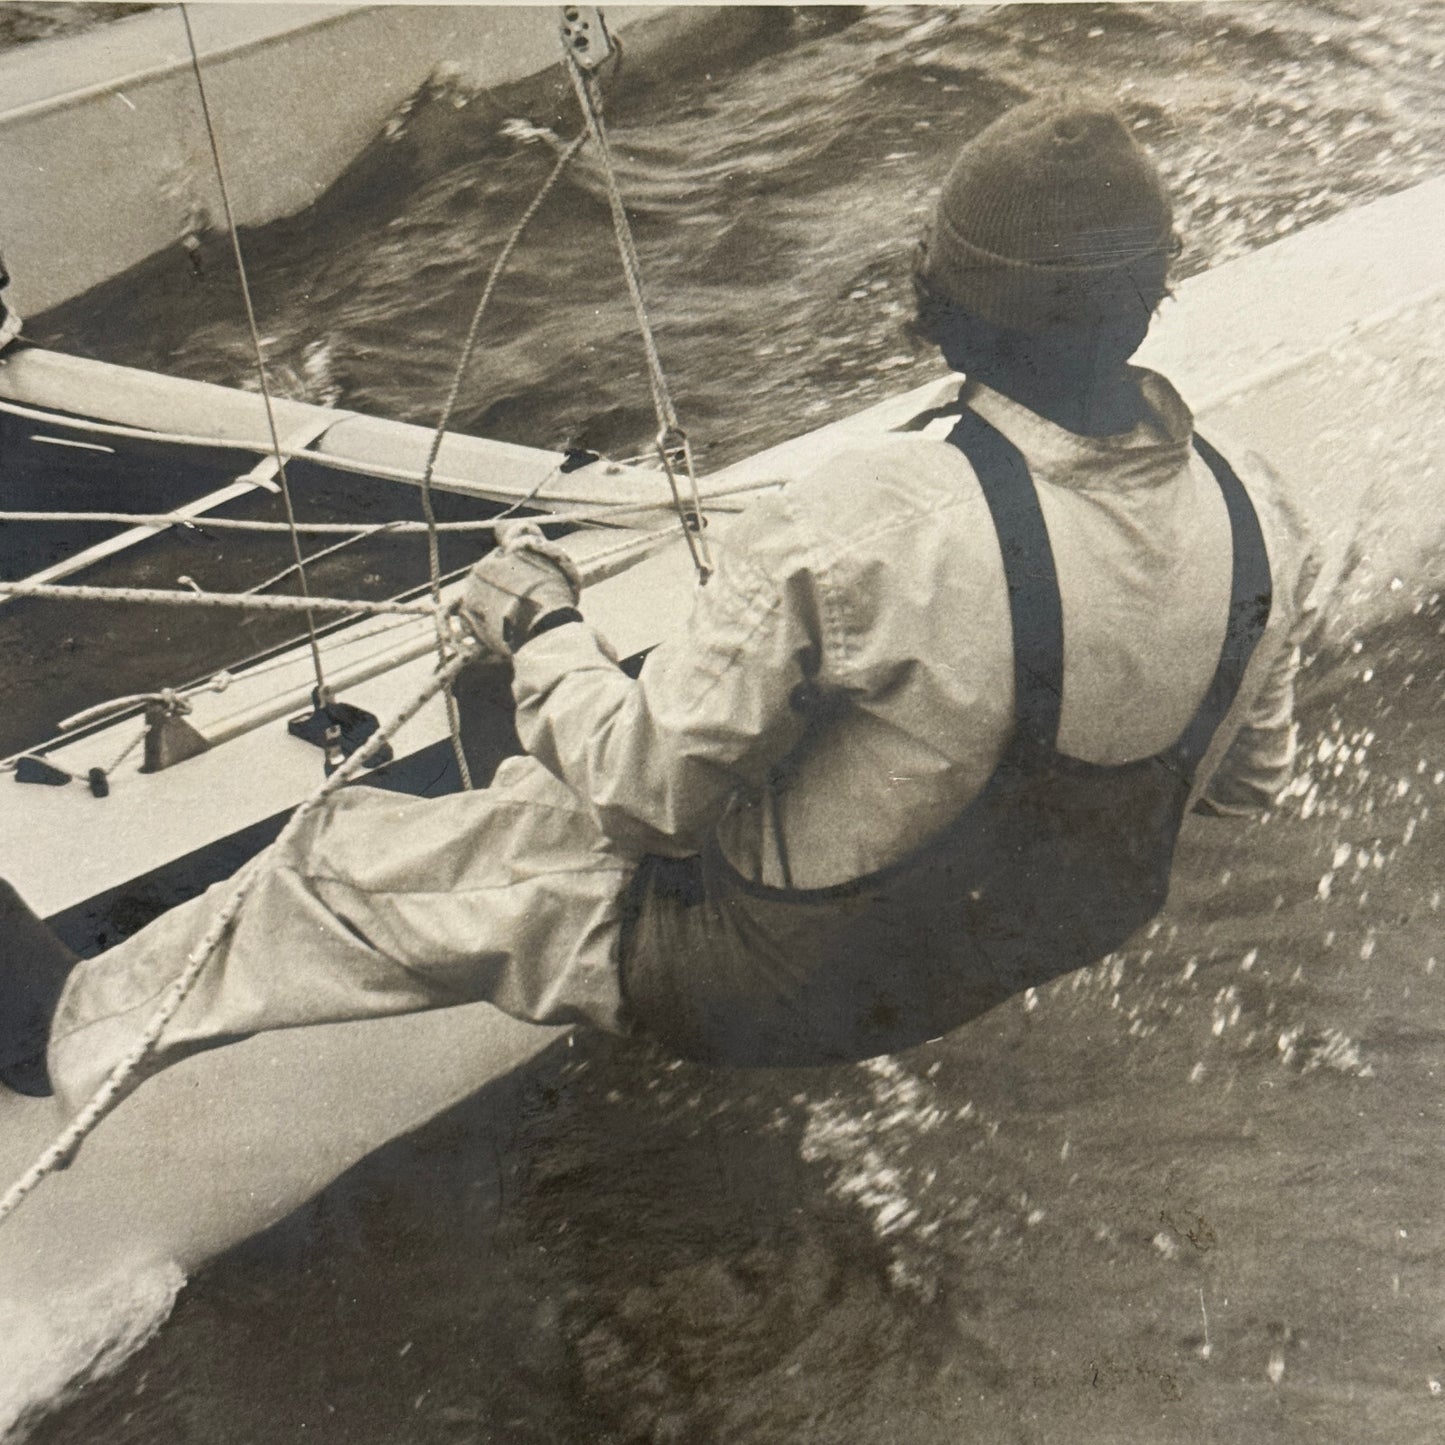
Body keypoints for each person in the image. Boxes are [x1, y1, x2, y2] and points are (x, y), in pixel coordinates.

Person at [1, 95, 1317, 1109]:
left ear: (945, 304)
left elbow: (642, 792)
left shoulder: (870, 519)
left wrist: (539, 625)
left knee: (340, 865)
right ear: (1146, 301)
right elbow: (1243, 779)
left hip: (774, 989)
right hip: (1011, 943)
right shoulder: (1262, 508)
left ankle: (64, 1024)